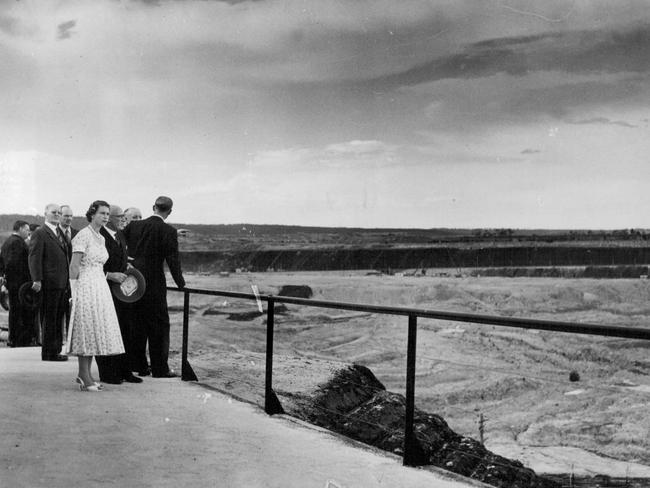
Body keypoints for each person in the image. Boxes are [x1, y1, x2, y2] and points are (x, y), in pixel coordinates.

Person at [124, 196, 185, 377]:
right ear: (170, 212)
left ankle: (139, 366)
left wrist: (127, 262)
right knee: (158, 326)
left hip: (134, 282)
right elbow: (173, 260)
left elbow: (119, 246)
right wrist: (180, 283)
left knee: (137, 324)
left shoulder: (134, 226)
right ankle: (159, 369)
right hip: (155, 285)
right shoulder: (168, 231)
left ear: (153, 207)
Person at [68, 200, 125, 391]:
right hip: (85, 286)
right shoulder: (83, 235)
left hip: (100, 286)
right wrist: (74, 292)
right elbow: (74, 266)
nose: (106, 217)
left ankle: (86, 375)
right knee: (86, 330)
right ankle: (84, 375)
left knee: (93, 331)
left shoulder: (100, 238)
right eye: (102, 213)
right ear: (92, 214)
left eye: (108, 214)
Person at [95, 205, 142, 385]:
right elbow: (91, 266)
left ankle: (125, 370)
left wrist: (126, 267)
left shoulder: (120, 235)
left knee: (124, 330)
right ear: (110, 218)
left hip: (121, 293)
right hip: (104, 290)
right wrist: (110, 275)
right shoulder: (99, 237)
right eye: (120, 216)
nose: (124, 219)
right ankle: (108, 373)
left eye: (124, 216)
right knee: (106, 331)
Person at [28, 204, 69, 361]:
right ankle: (48, 353)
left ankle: (56, 349)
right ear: (45, 214)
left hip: (61, 283)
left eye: (59, 212)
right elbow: (34, 257)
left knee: (58, 318)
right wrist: (36, 279)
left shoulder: (59, 232)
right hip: (49, 283)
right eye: (54, 212)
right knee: (50, 318)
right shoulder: (40, 233)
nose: (57, 215)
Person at [0, 221, 34, 347]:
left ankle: (14, 339)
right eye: (27, 229)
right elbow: (13, 264)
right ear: (20, 229)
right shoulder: (17, 243)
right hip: (19, 285)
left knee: (15, 312)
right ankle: (18, 340)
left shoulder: (8, 242)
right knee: (19, 313)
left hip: (13, 284)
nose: (28, 232)